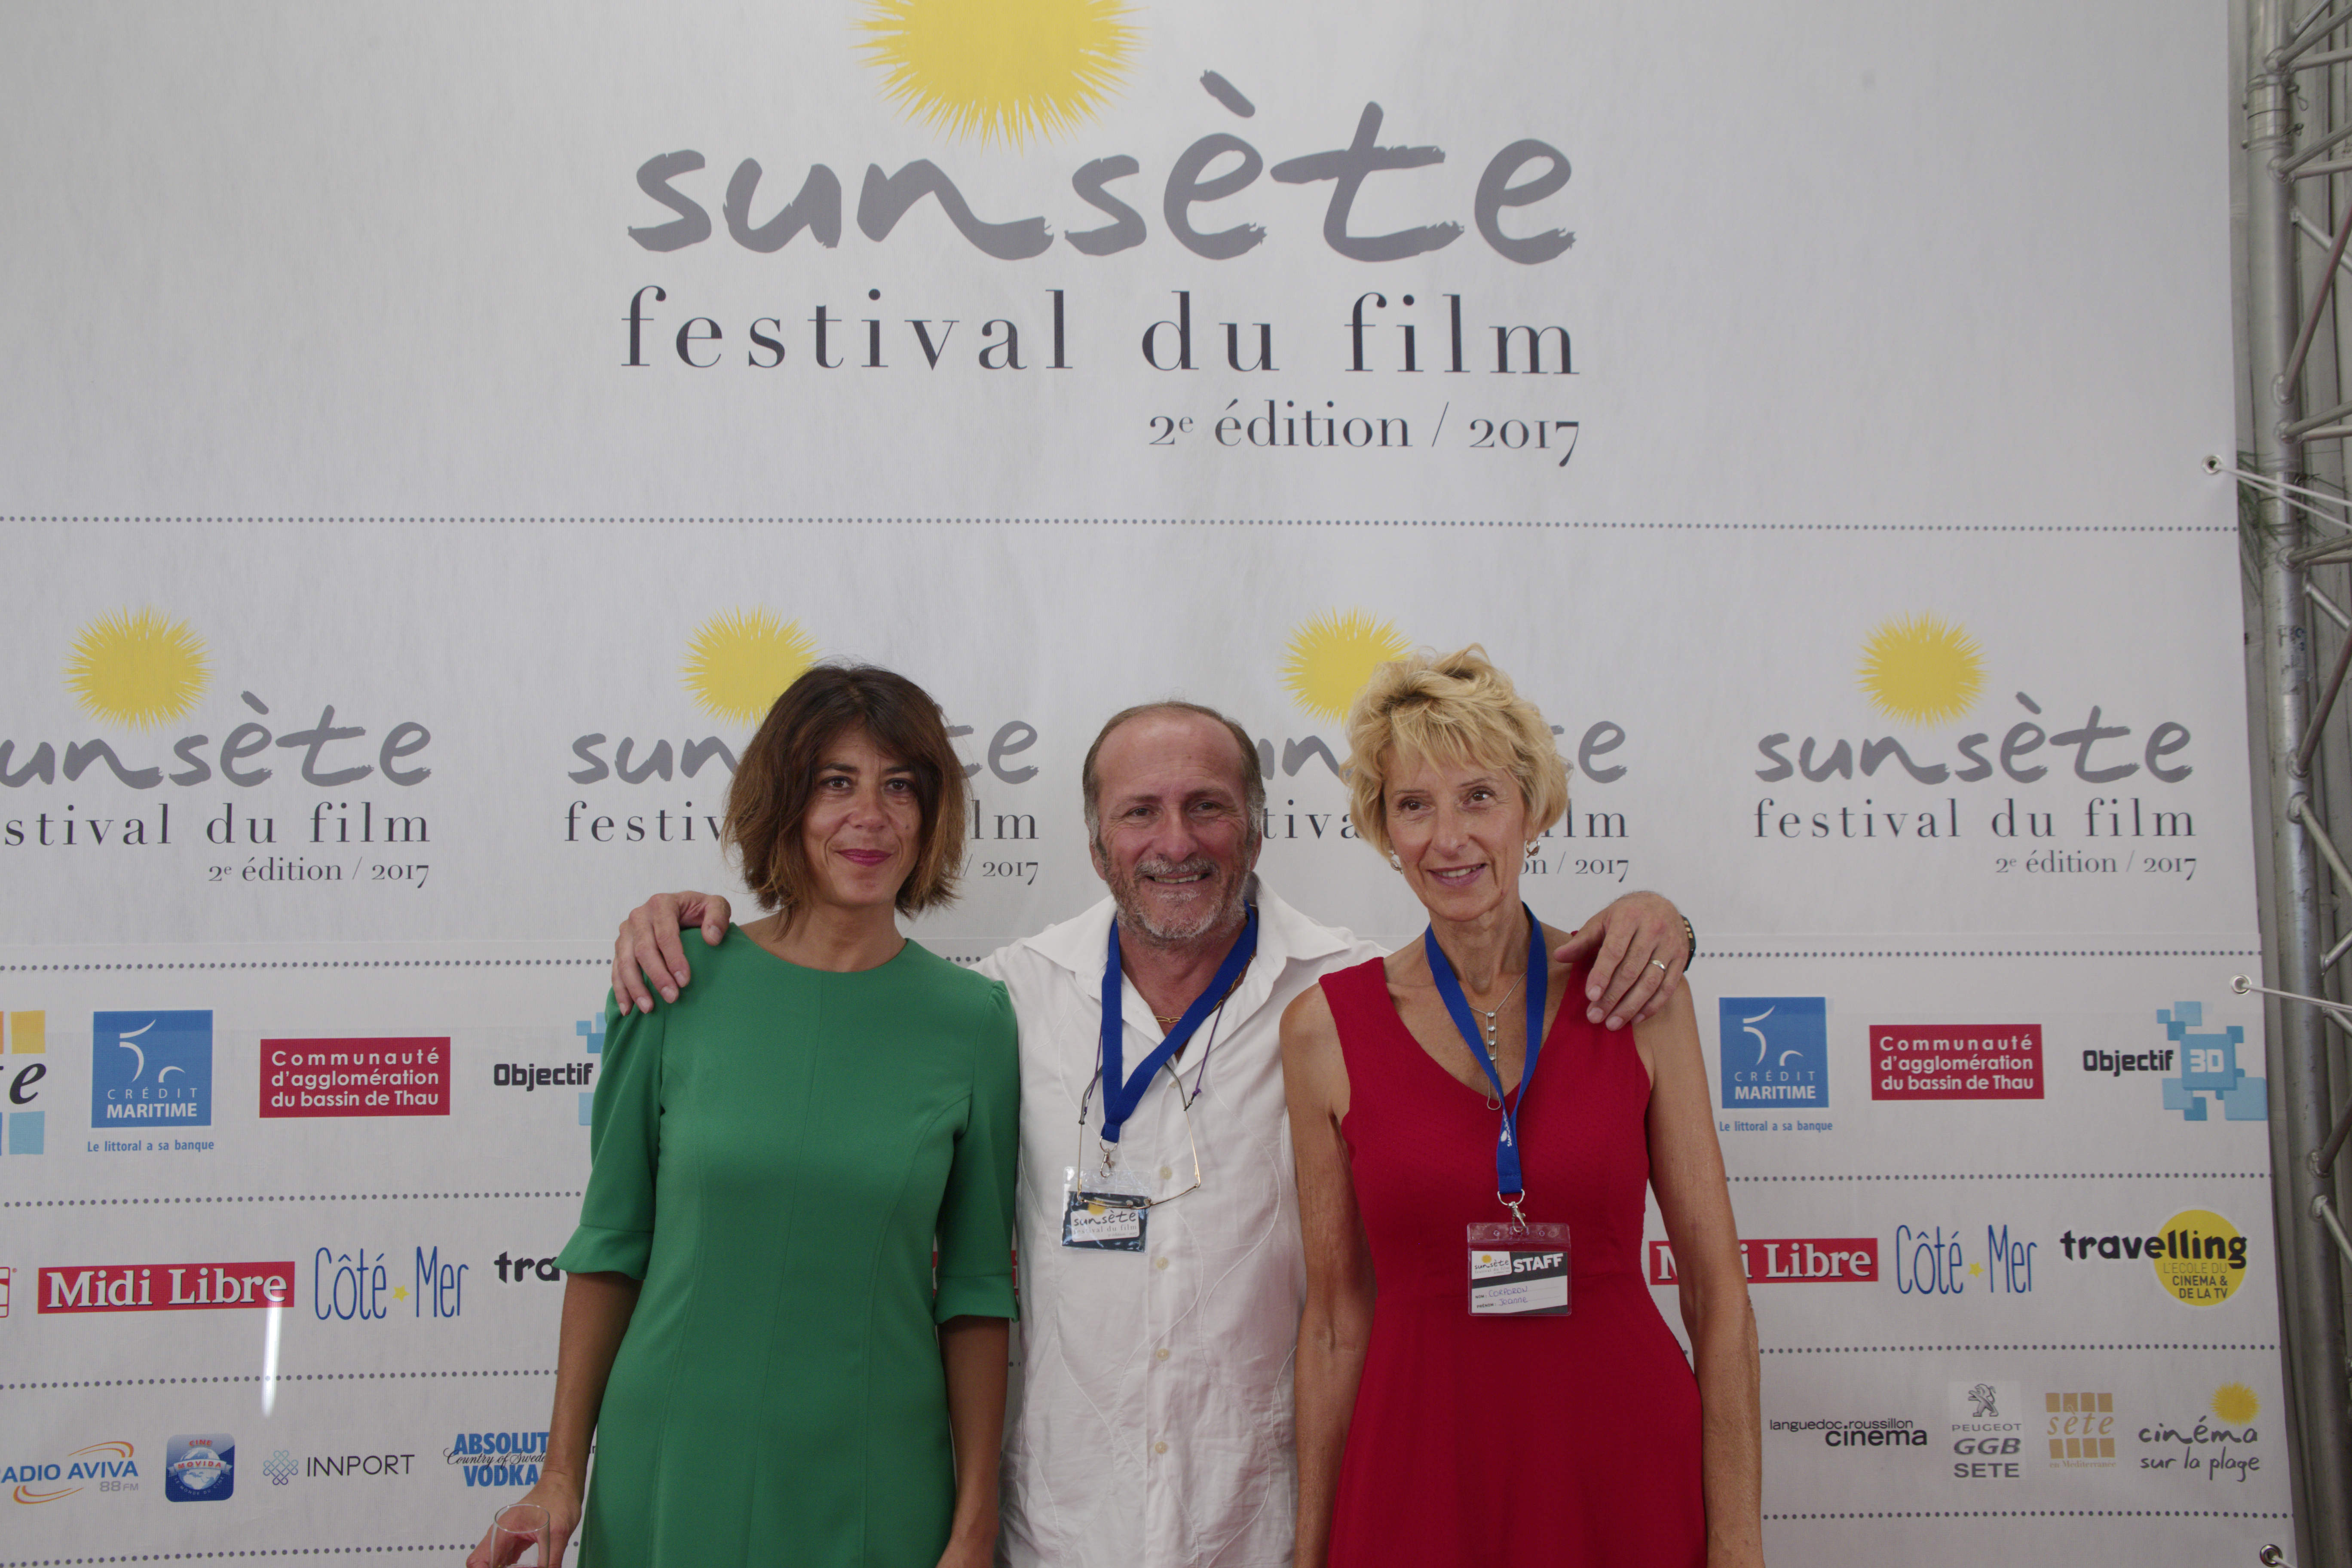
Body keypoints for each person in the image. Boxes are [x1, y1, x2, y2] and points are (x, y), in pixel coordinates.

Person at [610, 698, 1697, 1568]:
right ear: (1096, 846)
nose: (1175, 842)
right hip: (1065, 1531)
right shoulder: (1005, 998)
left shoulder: (1352, 996)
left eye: (1207, 807)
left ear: (1259, 831)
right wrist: (691, 930)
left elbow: (1500, 974)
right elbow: (837, 1026)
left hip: (1265, 1526)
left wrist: (1662, 920)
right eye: (1139, 813)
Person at [469, 664, 1020, 1568]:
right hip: (674, 1457)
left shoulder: (974, 1021)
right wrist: (560, 1473)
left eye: (900, 787)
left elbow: (974, 1292)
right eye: (836, 783)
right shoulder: (673, 980)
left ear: (932, 817)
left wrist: (974, 1525)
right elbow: (610, 1244)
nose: (870, 817)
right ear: (785, 803)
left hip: (878, 1474)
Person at [1282, 647, 1760, 1568]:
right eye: (1413, 805)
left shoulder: (1637, 996)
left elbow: (1718, 1294)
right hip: (1420, 1472)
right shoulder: (1323, 1031)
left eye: (1479, 797)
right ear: (1383, 830)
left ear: (1533, 809)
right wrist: (1310, 1552)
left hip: (1622, 1464)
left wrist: (1739, 1544)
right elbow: (1336, 1323)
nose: (1449, 838)